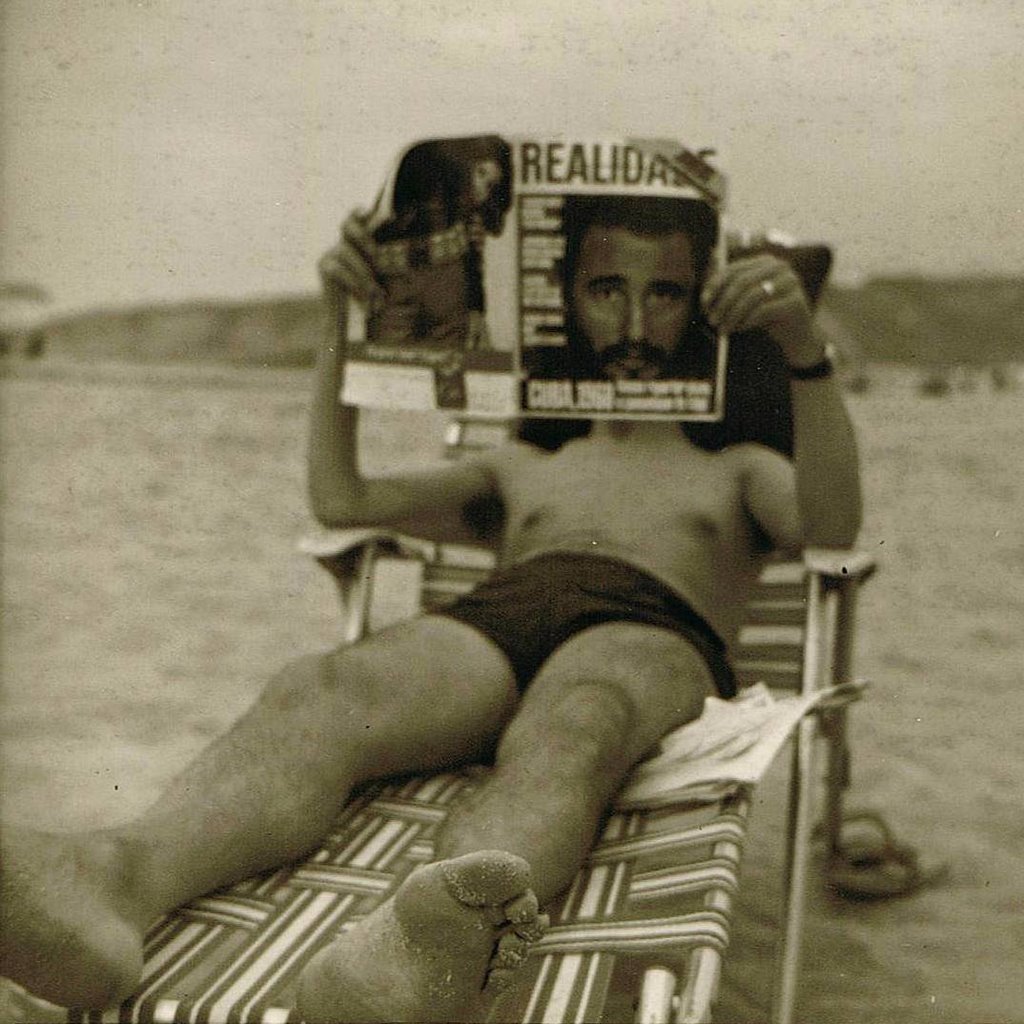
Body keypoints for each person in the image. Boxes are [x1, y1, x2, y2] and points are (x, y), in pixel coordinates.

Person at [0, 188, 862, 1022]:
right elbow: (343, 498)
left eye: (665, 293)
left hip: (652, 621)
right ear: (563, 303)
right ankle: (111, 884)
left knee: (578, 722)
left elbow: (833, 524)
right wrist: (343, 331)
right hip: (500, 614)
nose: (634, 324)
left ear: (700, 310)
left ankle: (416, 952)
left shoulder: (738, 466)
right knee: (318, 689)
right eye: (606, 289)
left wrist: (801, 348)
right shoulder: (522, 466)